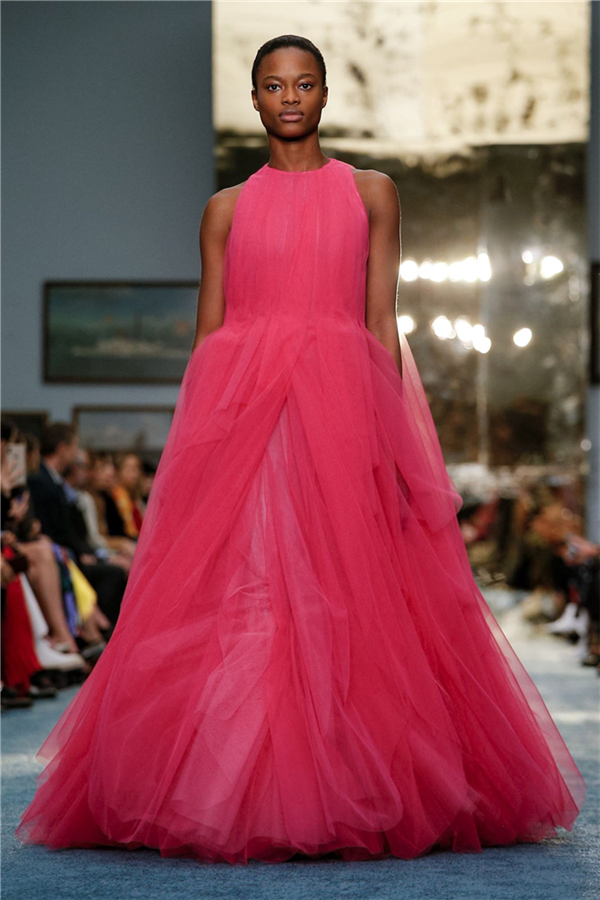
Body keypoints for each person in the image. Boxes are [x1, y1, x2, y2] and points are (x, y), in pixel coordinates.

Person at [15, 34, 585, 863]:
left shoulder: (372, 192)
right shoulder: (225, 209)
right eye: (274, 85)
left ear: (324, 95)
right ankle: (244, 790)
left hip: (341, 413)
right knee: (251, 593)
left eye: (304, 83)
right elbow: (211, 337)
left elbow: (380, 320)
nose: (290, 97)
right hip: (248, 419)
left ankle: (350, 778)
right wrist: (196, 454)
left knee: (348, 593)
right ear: (254, 99)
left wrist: (394, 439)